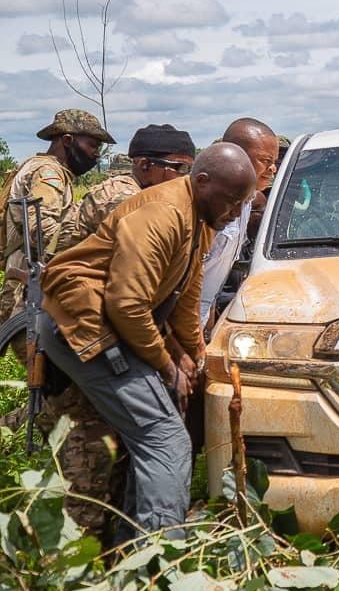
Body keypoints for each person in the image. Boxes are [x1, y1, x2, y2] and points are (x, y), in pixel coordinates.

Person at [38, 143, 256, 541]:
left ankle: (134, 547)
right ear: (202, 181)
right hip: (86, 326)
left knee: (158, 427)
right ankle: (161, 555)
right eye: (232, 201)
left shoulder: (200, 219)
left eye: (244, 204)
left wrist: (193, 354)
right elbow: (127, 305)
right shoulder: (162, 214)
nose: (237, 212)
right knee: (164, 438)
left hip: (117, 324)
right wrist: (168, 365)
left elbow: (185, 296)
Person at [0, 109, 113, 362]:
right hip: (28, 292)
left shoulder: (46, 169)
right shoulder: (48, 174)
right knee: (46, 373)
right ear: (68, 140)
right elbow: (42, 233)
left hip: (30, 288)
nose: (96, 154)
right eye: (93, 145)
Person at [57, 124, 196, 252]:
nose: (185, 177)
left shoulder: (142, 192)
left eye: (190, 170)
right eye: (180, 168)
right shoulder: (127, 199)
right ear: (145, 165)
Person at [199, 118, 278, 327]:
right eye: (265, 160)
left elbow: (211, 286)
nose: (272, 169)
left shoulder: (247, 203)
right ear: (236, 157)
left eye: (274, 162)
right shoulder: (207, 205)